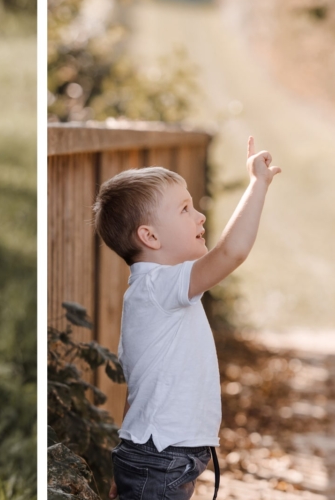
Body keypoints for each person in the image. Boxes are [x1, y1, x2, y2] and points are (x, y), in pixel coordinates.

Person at [95, 139, 280, 500]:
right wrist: (258, 184)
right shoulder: (161, 286)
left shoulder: (150, 293)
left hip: (154, 456)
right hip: (161, 458)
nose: (200, 216)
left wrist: (126, 461)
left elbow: (139, 392)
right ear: (150, 237)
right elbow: (231, 252)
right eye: (184, 209)